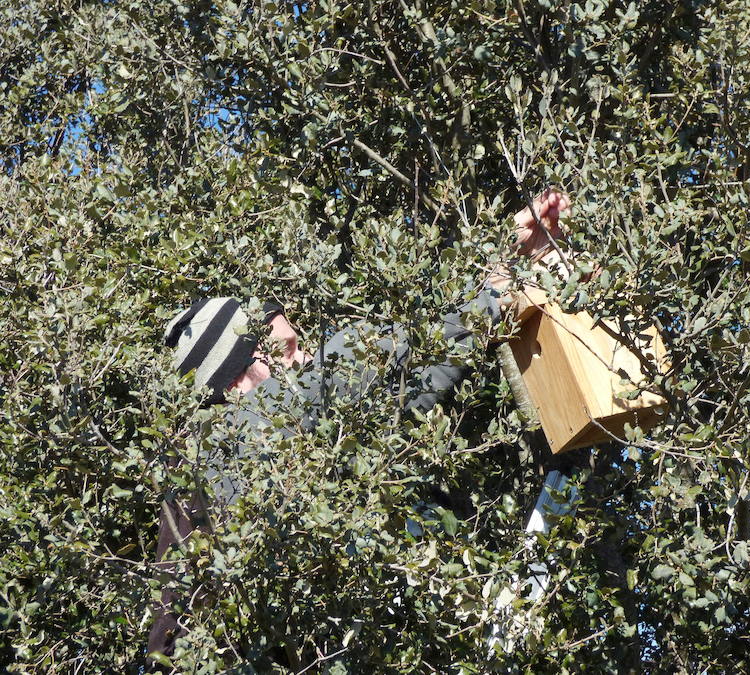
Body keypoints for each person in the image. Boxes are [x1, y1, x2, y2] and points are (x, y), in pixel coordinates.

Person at [146, 191, 572, 670]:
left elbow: (411, 381)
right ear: (240, 380)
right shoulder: (267, 420)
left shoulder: (192, 494)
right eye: (287, 354)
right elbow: (407, 356)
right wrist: (504, 279)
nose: (304, 359)